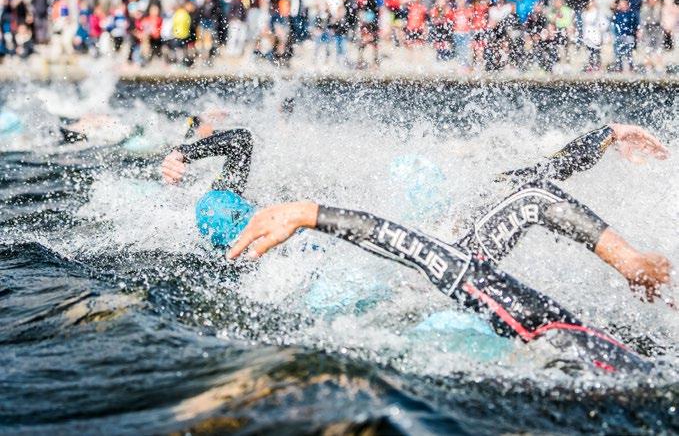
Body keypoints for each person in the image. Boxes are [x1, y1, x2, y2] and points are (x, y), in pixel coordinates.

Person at [162, 122, 672, 373]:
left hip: (418, 269)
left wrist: (186, 149)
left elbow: (540, 177)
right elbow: (538, 184)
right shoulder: (228, 212)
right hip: (415, 275)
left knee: (518, 191)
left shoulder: (238, 214)